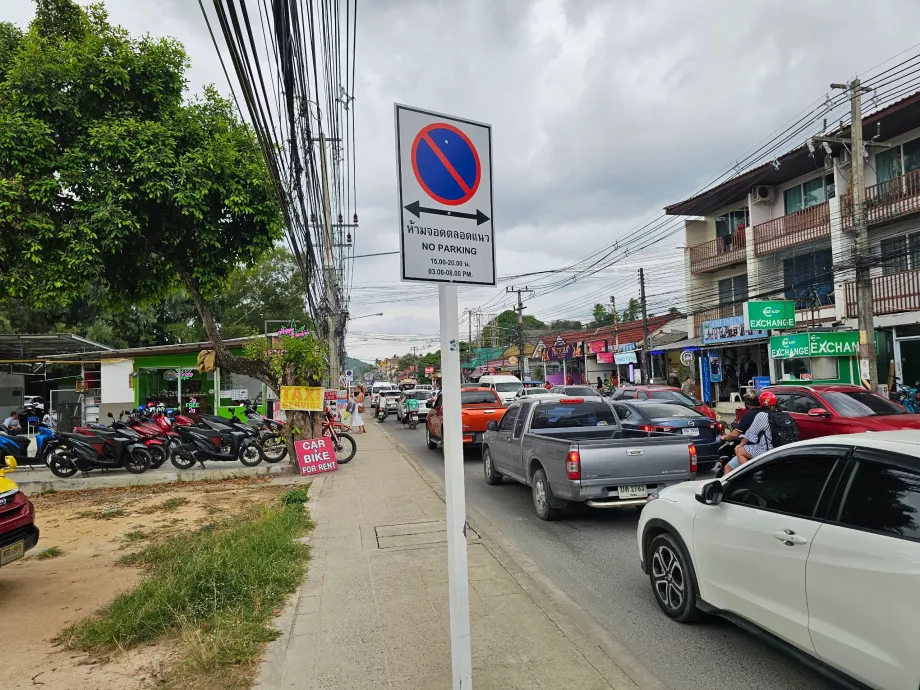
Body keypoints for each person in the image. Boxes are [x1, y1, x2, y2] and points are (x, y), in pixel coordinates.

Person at [725, 391, 777, 474]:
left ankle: (751, 475)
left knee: (736, 454)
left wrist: (740, 445)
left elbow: (750, 434)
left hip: (763, 450)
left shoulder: (760, 415)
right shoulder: (779, 414)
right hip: (778, 449)